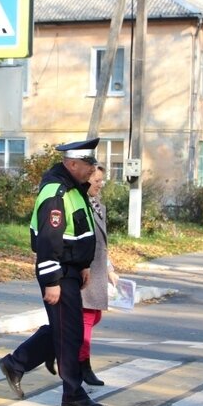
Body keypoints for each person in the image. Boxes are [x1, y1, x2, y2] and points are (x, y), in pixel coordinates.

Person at [0, 138, 104, 406]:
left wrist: (83, 264)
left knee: (67, 330)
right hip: (58, 271)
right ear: (72, 164)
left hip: (70, 269)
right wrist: (52, 281)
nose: (92, 168)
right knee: (68, 334)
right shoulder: (55, 192)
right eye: (88, 163)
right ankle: (72, 392)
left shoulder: (73, 189)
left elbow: (78, 232)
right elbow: (48, 240)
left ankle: (16, 363)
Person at [79, 164, 118, 386]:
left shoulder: (99, 207)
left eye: (102, 181)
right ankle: (83, 365)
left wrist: (110, 269)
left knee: (94, 317)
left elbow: (102, 244)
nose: (100, 185)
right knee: (86, 319)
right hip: (85, 272)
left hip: (98, 271)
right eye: (96, 181)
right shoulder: (81, 205)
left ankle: (68, 354)